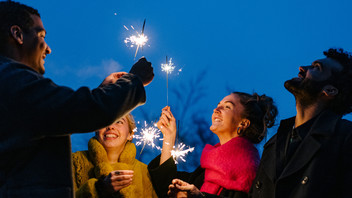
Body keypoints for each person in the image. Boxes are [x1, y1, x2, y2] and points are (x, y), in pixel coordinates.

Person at [0, 1, 153, 197]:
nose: (48, 49)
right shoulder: (14, 82)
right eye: (41, 36)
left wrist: (103, 90)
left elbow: (64, 111)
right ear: (17, 34)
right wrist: (135, 81)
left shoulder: (12, 87)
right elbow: (82, 110)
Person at [249, 48, 352, 198]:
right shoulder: (274, 142)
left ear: (329, 90)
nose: (302, 68)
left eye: (316, 68)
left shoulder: (345, 138)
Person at [148, 92, 278, 198]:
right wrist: (169, 136)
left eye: (227, 106)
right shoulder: (207, 170)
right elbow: (165, 186)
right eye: (218, 105)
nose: (216, 109)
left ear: (243, 124)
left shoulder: (250, 171)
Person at [72, 113, 158, 198]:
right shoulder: (74, 162)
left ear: (130, 134)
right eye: (105, 121)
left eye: (119, 122)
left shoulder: (145, 173)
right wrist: (99, 189)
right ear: (96, 130)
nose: (110, 126)